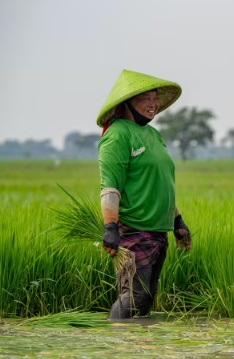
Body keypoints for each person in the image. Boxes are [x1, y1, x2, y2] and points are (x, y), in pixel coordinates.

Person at [96, 69, 192, 319]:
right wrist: (110, 228)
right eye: (146, 98)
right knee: (133, 297)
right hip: (133, 228)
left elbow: (160, 184)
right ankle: (116, 343)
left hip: (158, 230)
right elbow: (110, 187)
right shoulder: (117, 135)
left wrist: (177, 220)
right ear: (127, 102)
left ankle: (140, 346)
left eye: (155, 98)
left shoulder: (153, 134)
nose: (153, 104)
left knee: (146, 296)